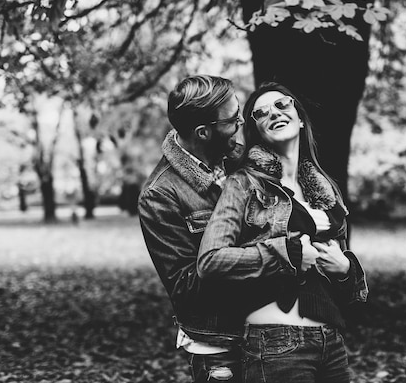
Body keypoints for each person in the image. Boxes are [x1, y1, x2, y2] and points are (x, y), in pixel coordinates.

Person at [197, 82, 368, 383]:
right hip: (277, 343)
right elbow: (210, 261)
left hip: (332, 342)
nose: (273, 113)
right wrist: (285, 253)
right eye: (260, 113)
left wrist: (345, 269)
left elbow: (349, 289)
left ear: (300, 118)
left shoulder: (327, 190)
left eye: (282, 104)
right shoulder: (244, 184)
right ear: (256, 131)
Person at [138, 75, 298, 383]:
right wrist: (271, 255)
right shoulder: (159, 195)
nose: (241, 124)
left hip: (274, 332)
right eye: (233, 120)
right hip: (220, 346)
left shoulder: (240, 158)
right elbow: (186, 287)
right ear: (204, 132)